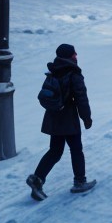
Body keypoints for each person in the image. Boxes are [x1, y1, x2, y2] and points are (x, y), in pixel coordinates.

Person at [27, 43, 95, 199]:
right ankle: (80, 182)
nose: (76, 55)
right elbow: (81, 98)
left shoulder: (54, 70)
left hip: (54, 116)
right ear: (69, 56)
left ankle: (37, 179)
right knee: (76, 149)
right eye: (74, 53)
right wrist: (86, 118)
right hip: (68, 118)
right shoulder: (73, 73)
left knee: (55, 151)